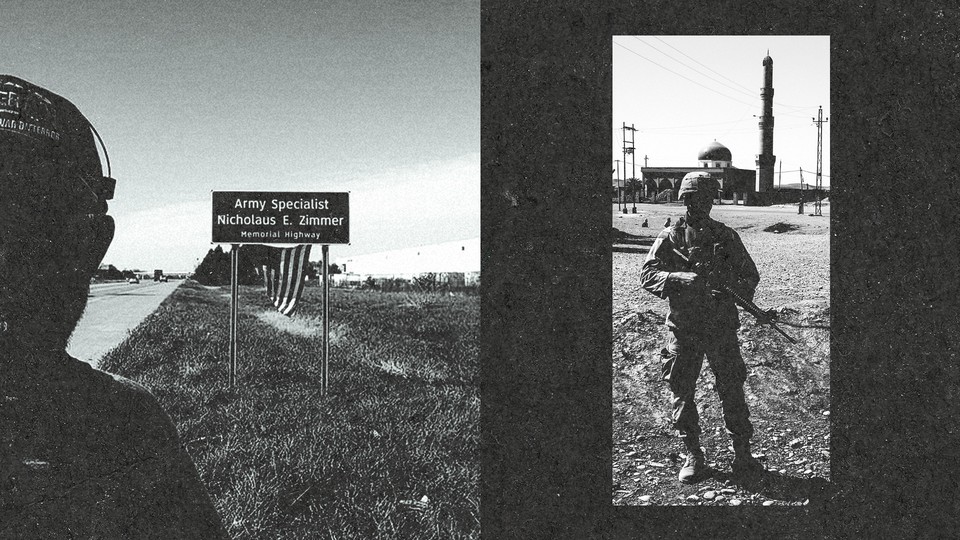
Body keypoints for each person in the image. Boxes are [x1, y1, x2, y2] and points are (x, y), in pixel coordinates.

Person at [0, 75, 228, 537]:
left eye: (34, 223)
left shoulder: (129, 425)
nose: (5, 256)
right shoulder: (126, 423)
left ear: (95, 247)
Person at [639, 171, 763, 484]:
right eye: (693, 199)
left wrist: (730, 288)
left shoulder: (726, 235)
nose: (700, 205)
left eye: (706, 198)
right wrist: (675, 279)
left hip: (721, 326)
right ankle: (693, 454)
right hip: (684, 327)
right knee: (682, 390)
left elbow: (749, 275)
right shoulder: (670, 235)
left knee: (732, 389)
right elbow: (647, 275)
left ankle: (742, 453)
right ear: (684, 199)